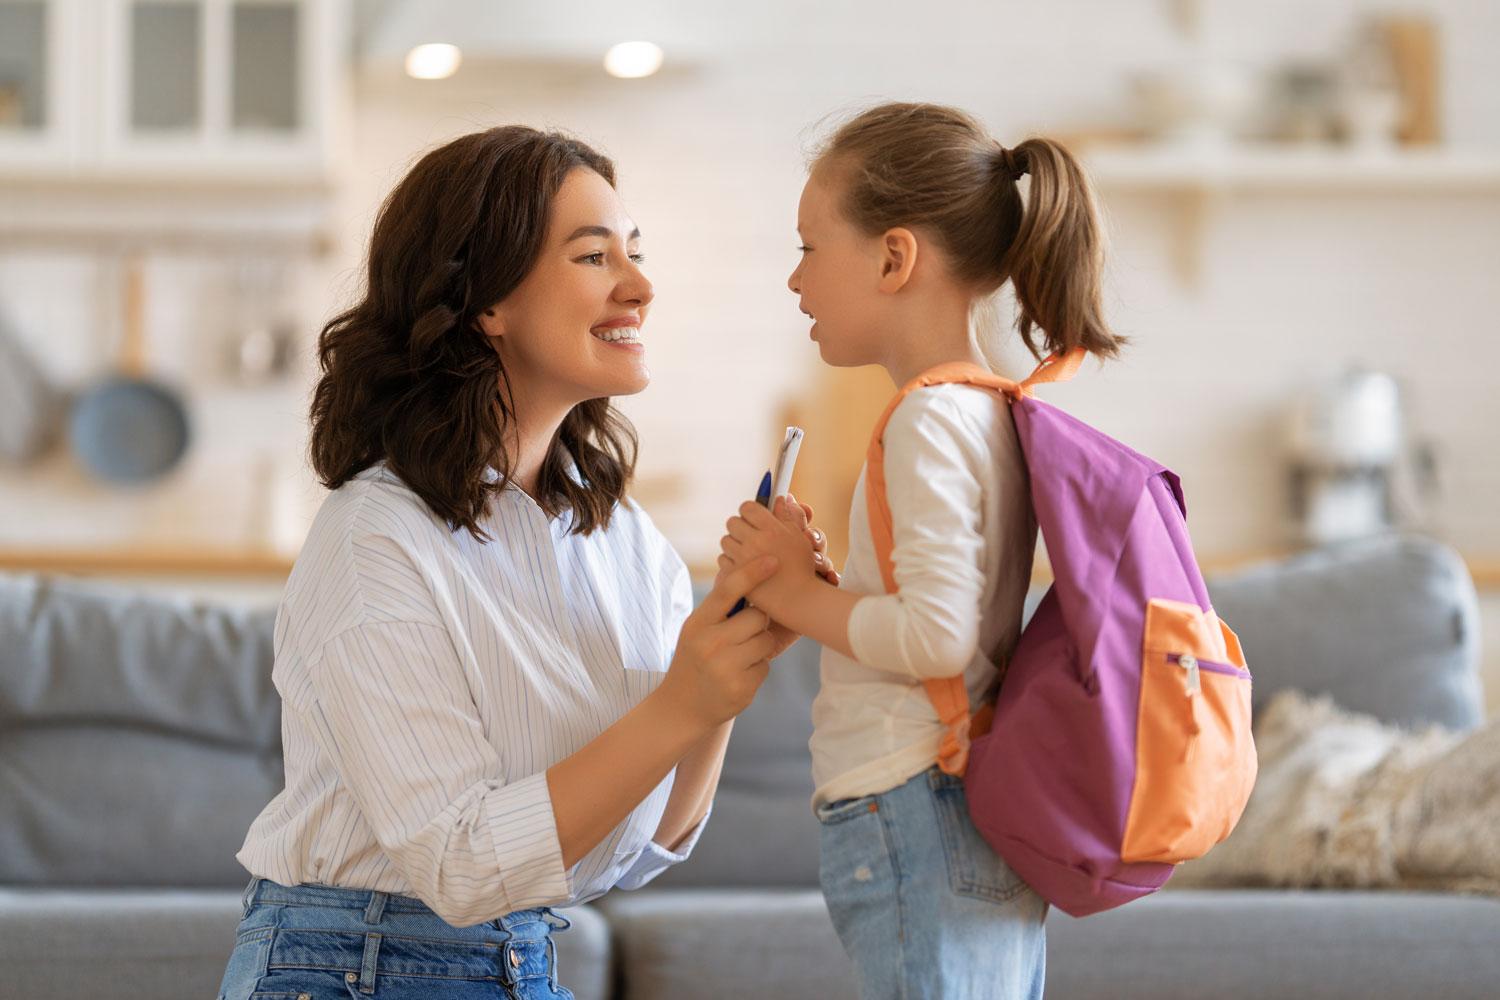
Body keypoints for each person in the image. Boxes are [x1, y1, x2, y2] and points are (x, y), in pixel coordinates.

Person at [218, 125, 829, 1000]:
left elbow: (643, 847)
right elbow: (461, 865)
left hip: (521, 959)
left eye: (635, 253)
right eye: (594, 257)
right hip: (357, 967)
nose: (640, 286)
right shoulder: (374, 539)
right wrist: (684, 698)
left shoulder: (624, 541)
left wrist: (726, 671)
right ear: (486, 301)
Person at [718, 102, 1125, 1000]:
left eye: (809, 248)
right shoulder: (991, 408)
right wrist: (823, 583)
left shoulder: (928, 421)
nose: (795, 279)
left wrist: (793, 596)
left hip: (912, 797)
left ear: (894, 258)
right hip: (959, 801)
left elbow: (938, 638)